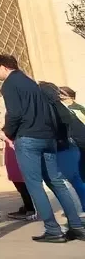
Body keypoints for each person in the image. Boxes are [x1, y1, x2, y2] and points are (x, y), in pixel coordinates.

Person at [0, 54, 85, 243]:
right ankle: (76, 225)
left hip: (28, 138)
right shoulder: (32, 82)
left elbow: (15, 113)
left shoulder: (9, 84)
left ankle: (53, 229)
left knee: (34, 184)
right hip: (47, 138)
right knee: (55, 181)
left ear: (3, 67)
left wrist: (8, 132)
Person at [40, 82, 85, 210]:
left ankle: (77, 214)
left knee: (71, 181)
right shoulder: (62, 108)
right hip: (71, 146)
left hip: (66, 147)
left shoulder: (57, 109)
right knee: (76, 180)